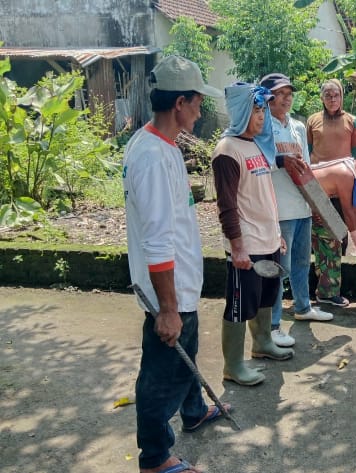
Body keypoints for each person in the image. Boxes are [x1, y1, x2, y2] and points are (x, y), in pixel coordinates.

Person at [123, 55, 228, 473]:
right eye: (198, 102)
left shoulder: (162, 147)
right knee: (160, 376)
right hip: (170, 291)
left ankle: (194, 410)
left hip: (181, 285)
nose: (201, 111)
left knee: (187, 352)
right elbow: (156, 241)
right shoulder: (151, 157)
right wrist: (167, 308)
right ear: (180, 102)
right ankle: (155, 457)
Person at [212, 81, 296, 389]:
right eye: (255, 109)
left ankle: (262, 344)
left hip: (268, 241)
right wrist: (237, 247)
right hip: (245, 245)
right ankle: (233, 366)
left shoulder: (256, 146)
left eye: (262, 110)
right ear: (240, 111)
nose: (261, 116)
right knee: (239, 304)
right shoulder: (227, 151)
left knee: (265, 297)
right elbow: (227, 206)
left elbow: (264, 196)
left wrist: (277, 235)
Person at [260, 73, 333, 349]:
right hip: (279, 210)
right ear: (268, 97)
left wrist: (313, 202)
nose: (288, 97)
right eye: (281, 93)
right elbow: (260, 163)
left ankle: (303, 307)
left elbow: (306, 168)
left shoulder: (298, 127)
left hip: (300, 206)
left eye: (290, 92)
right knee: (281, 268)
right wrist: (281, 161)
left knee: (303, 261)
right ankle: (275, 324)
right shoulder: (261, 125)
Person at [306, 79, 356, 306]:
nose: (332, 99)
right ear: (322, 98)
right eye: (328, 95)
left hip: (344, 188)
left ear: (342, 97)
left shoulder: (352, 121)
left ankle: (329, 287)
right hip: (318, 191)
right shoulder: (312, 121)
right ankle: (326, 290)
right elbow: (307, 154)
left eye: (336, 95)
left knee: (339, 239)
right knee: (320, 240)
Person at [311, 153, 356, 287]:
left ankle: (324, 290)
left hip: (315, 200)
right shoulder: (347, 174)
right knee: (332, 241)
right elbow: (349, 212)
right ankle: (327, 292)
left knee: (333, 239)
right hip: (303, 196)